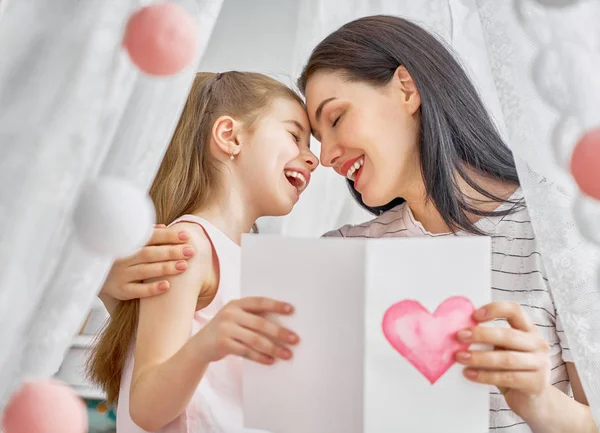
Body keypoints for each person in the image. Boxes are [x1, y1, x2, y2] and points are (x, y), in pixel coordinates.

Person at [98, 16, 597, 433]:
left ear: (406, 88)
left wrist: (538, 401)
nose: (327, 159)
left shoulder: (559, 233)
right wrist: (112, 287)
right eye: (308, 137)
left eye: (334, 120)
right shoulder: (335, 256)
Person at [88, 71, 318, 433]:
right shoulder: (189, 245)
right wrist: (208, 344)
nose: (312, 159)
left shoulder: (247, 259)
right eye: (294, 136)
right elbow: (146, 408)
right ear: (230, 136)